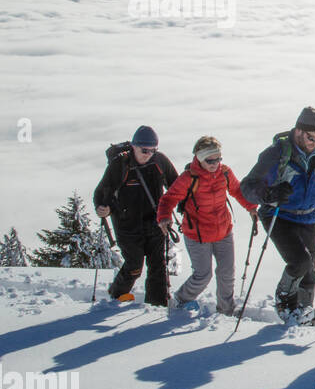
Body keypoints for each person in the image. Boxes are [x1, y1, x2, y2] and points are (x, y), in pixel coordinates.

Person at [241, 107, 315, 324]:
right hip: (279, 215)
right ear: (299, 131)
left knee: (310, 270)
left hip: (309, 216)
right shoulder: (277, 153)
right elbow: (248, 186)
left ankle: (304, 310)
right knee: (300, 261)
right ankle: (285, 303)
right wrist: (270, 194)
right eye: (312, 137)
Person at [156, 136, 258, 315]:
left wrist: (251, 208)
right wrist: (164, 217)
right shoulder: (189, 178)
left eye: (218, 158)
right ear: (199, 158)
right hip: (197, 235)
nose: (215, 163)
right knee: (203, 275)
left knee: (227, 273)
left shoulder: (225, 173)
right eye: (210, 160)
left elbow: (237, 190)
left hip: (223, 231)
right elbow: (169, 199)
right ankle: (181, 300)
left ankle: (226, 311)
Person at [93, 125, 179, 306]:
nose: (148, 154)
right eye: (144, 150)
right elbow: (102, 192)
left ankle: (157, 305)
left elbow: (177, 186)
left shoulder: (159, 161)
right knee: (134, 265)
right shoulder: (120, 165)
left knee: (158, 265)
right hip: (127, 225)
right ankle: (117, 294)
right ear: (133, 146)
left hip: (155, 222)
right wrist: (102, 207)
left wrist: (185, 206)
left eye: (153, 150)